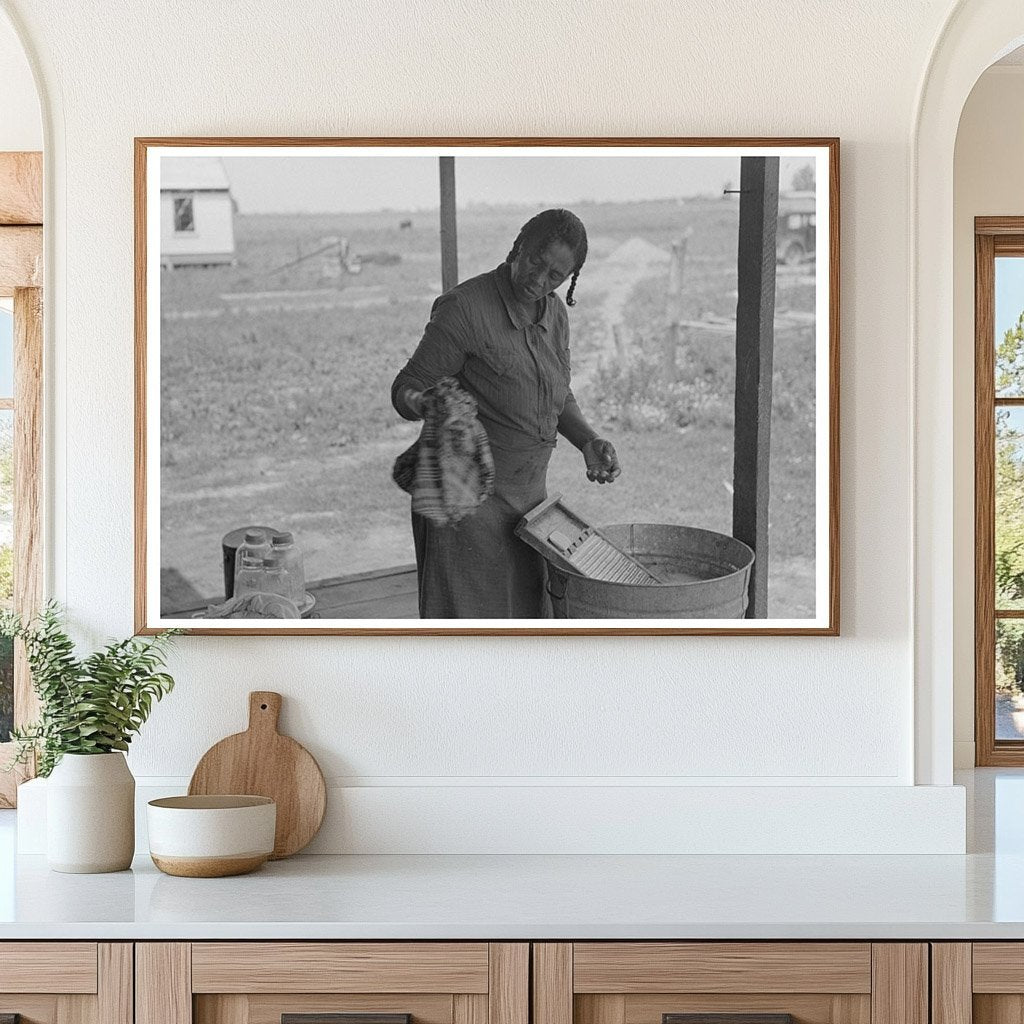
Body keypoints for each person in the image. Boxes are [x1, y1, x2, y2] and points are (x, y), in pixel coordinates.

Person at [391, 208, 620, 618]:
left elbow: (557, 392)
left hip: (529, 506)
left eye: (555, 276)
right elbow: (405, 387)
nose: (539, 280)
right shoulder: (465, 309)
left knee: (524, 625)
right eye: (535, 261)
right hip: (463, 506)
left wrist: (587, 440)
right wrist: (427, 404)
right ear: (518, 246)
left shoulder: (555, 315)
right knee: (469, 633)